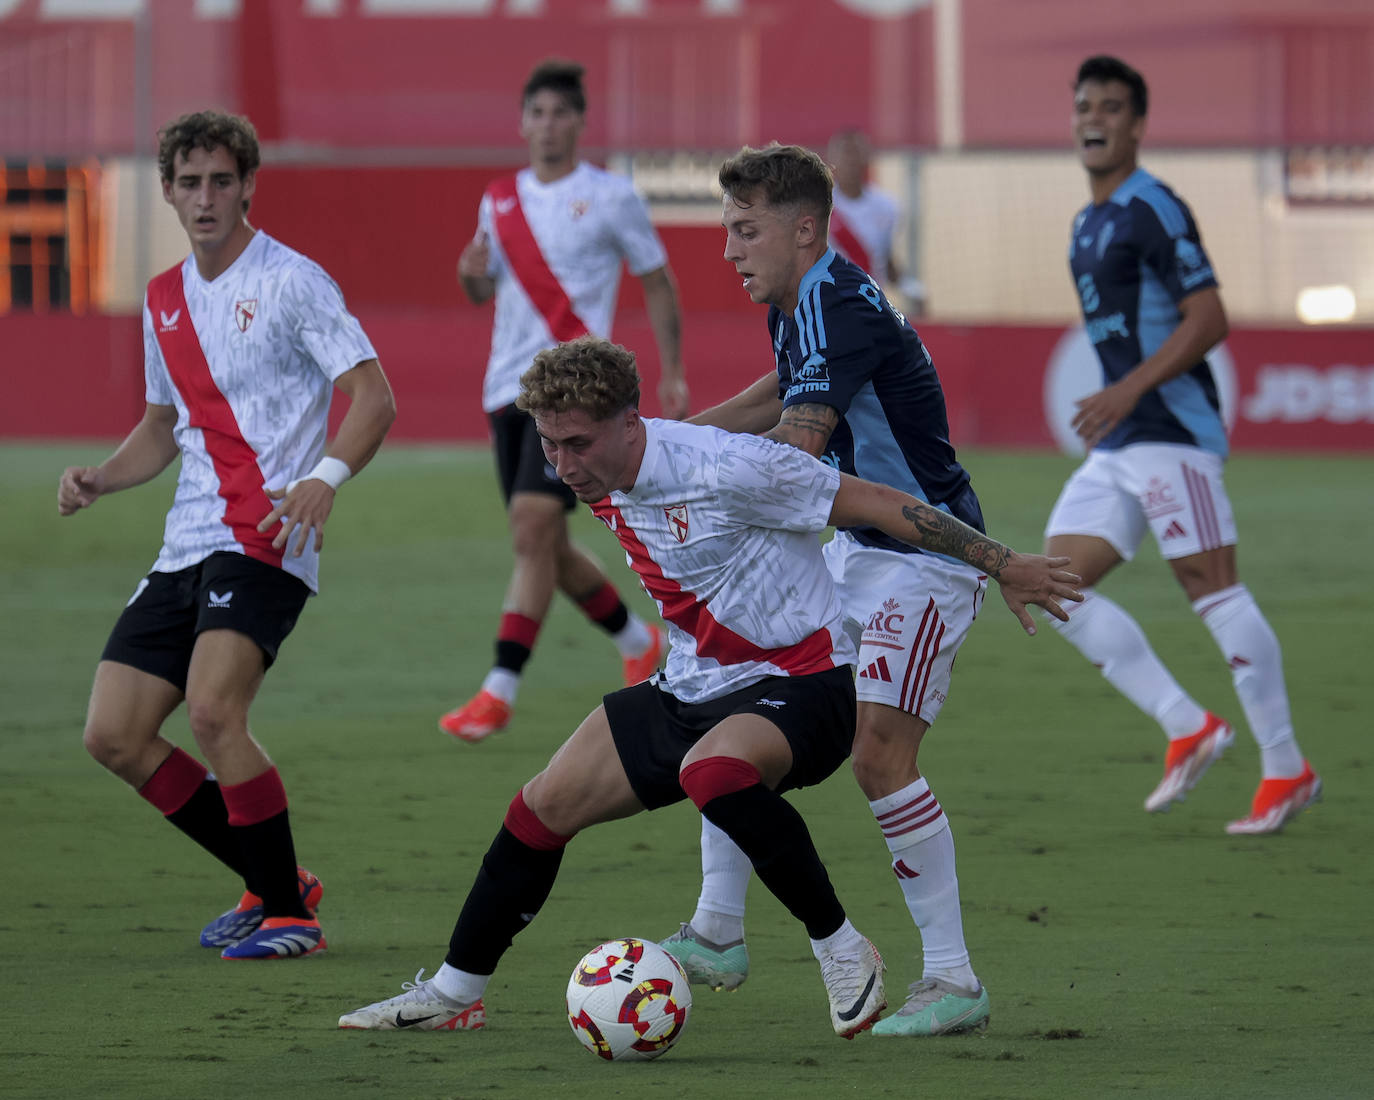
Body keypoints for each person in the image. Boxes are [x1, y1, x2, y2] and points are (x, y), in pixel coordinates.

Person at [338, 336, 1079, 1037]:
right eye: (550, 444)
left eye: (578, 444)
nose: (562, 465)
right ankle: (454, 993)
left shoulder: (732, 468)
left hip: (806, 685)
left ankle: (841, 946)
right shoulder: (602, 470)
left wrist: (1001, 561)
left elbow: (885, 504)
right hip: (689, 687)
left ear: (632, 423)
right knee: (540, 807)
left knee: (713, 773)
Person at [661, 142, 1009, 1037]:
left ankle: (954, 980)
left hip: (925, 555)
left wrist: (689, 476)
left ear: (804, 227)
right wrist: (680, 440)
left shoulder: (833, 299)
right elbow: (784, 388)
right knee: (748, 696)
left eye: (746, 230)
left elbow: (799, 445)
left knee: (879, 755)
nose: (730, 249)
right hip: (860, 548)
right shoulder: (805, 299)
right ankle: (716, 929)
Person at [57, 110, 396, 960]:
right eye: (189, 182)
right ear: (167, 191)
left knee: (212, 710)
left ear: (247, 185)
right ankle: (275, 878)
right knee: (115, 735)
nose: (205, 197)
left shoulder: (294, 282)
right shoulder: (164, 298)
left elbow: (374, 397)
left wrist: (324, 479)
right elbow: (162, 428)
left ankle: (290, 915)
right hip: (186, 543)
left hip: (268, 533)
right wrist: (101, 476)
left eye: (221, 180)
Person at [1043, 54, 1320, 835]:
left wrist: (1129, 389)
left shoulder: (1153, 207)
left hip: (1173, 435)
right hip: (1121, 445)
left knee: (1213, 589)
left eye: (1112, 108)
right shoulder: (1086, 221)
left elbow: (1210, 318)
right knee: (1051, 585)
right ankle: (1186, 725)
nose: (1094, 119)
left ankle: (1285, 765)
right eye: (1084, 106)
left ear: (1137, 123)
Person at [440, 57, 689, 743]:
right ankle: (640, 640)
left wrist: (673, 371)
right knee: (544, 541)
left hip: (574, 394)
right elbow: (483, 289)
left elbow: (658, 280)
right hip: (506, 391)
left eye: (560, 113)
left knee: (529, 532)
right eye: (537, 113)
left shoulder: (611, 196)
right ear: (522, 123)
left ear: (580, 122)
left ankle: (499, 688)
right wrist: (470, 279)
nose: (548, 125)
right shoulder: (498, 199)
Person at [825, 129, 924, 315]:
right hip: (830, 304)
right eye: (845, 154)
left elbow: (885, 260)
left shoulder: (886, 207)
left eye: (856, 154)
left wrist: (911, 289)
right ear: (833, 159)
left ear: (866, 158)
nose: (850, 161)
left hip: (870, 305)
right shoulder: (820, 205)